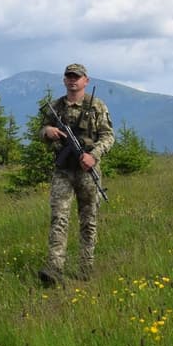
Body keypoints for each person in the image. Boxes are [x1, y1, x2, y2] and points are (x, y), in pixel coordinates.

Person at [37, 63, 114, 286]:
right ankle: (54, 269)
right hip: (63, 170)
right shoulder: (56, 107)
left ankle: (85, 268)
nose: (73, 80)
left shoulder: (96, 106)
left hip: (87, 170)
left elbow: (108, 136)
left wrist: (94, 155)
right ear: (64, 80)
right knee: (59, 218)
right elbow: (41, 131)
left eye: (77, 77)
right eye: (69, 77)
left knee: (88, 221)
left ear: (85, 81)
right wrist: (48, 132)